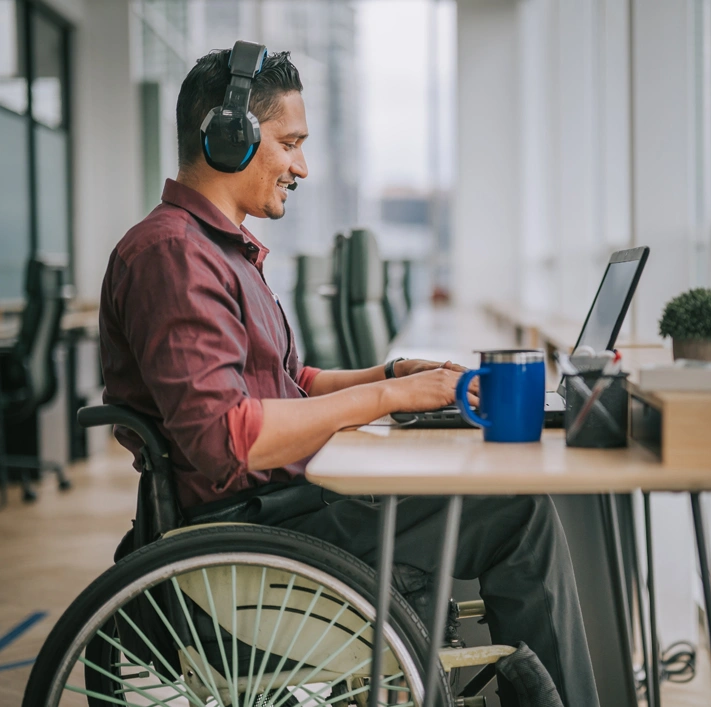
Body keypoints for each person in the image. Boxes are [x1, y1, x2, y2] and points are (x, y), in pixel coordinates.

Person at [98, 46, 600, 707]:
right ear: (229, 135)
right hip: (256, 533)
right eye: (290, 143)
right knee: (516, 511)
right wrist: (389, 395)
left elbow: (287, 382)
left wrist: (391, 372)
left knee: (507, 504)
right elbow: (226, 439)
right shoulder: (174, 254)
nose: (301, 166)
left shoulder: (216, 250)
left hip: (286, 507)